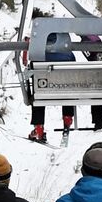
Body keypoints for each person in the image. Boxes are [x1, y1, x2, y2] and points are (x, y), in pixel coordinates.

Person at [26, 10, 75, 143]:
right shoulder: (66, 53)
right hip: (63, 89)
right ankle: (67, 119)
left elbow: (31, 64)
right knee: (67, 91)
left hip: (45, 90)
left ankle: (39, 127)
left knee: (38, 92)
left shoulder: (39, 50)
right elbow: (73, 62)